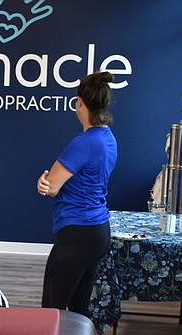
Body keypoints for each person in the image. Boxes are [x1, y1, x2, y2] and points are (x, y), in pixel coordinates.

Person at [37, 71, 117, 321]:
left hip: (77, 232)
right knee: (79, 308)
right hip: (98, 230)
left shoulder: (83, 142)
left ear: (80, 102)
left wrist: (44, 182)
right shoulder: (109, 138)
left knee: (52, 309)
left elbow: (51, 187)